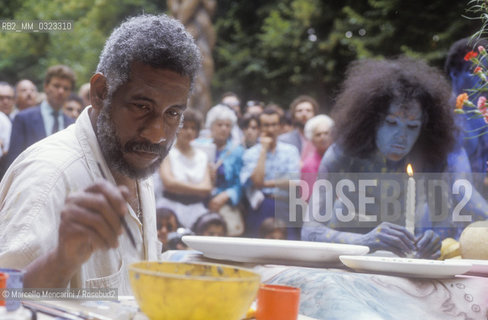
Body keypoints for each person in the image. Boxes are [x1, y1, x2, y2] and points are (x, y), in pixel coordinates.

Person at [0, 14, 201, 292]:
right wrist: (61, 261)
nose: (157, 133)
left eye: (173, 113)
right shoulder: (50, 178)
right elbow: (6, 301)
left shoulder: (134, 161)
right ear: (100, 93)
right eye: (142, 107)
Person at [302, 57, 488, 259]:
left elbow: (447, 224)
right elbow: (310, 231)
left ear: (423, 127)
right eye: (391, 123)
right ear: (371, 120)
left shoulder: (432, 158)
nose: (401, 136)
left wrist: (433, 242)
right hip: (346, 259)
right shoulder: (342, 155)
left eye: (412, 127)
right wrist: (364, 241)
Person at [241, 107, 300, 239]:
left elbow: (294, 182)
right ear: (260, 128)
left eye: (274, 125)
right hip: (261, 205)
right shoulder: (251, 153)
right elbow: (256, 181)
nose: (270, 129)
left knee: (288, 248)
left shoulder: (291, 151)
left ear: (280, 127)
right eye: (266, 125)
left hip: (284, 205)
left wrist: (265, 184)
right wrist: (263, 150)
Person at [4, 65, 76, 171]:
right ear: (46, 86)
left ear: (69, 92)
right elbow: (13, 162)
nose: (61, 91)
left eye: (66, 88)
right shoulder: (24, 118)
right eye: (56, 86)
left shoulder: (72, 125)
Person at [445, 37, 488, 194]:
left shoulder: (483, 113)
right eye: (474, 70)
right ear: (454, 73)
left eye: (485, 70)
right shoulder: (443, 118)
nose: (482, 77)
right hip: (450, 209)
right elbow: (460, 187)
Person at [159, 109, 212, 229]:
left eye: (193, 128)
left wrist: (180, 186)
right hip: (169, 206)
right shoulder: (167, 152)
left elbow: (207, 188)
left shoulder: (202, 156)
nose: (189, 132)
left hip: (196, 209)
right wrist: (198, 188)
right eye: (185, 127)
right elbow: (168, 183)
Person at [300, 114, 334, 201]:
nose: (323, 137)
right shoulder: (309, 165)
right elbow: (309, 197)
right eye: (318, 135)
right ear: (312, 139)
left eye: (326, 133)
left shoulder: (339, 158)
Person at [278, 95, 318, 160]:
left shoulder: (324, 138)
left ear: (315, 114)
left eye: (308, 110)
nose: (304, 114)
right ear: (293, 116)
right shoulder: (283, 141)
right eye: (299, 111)